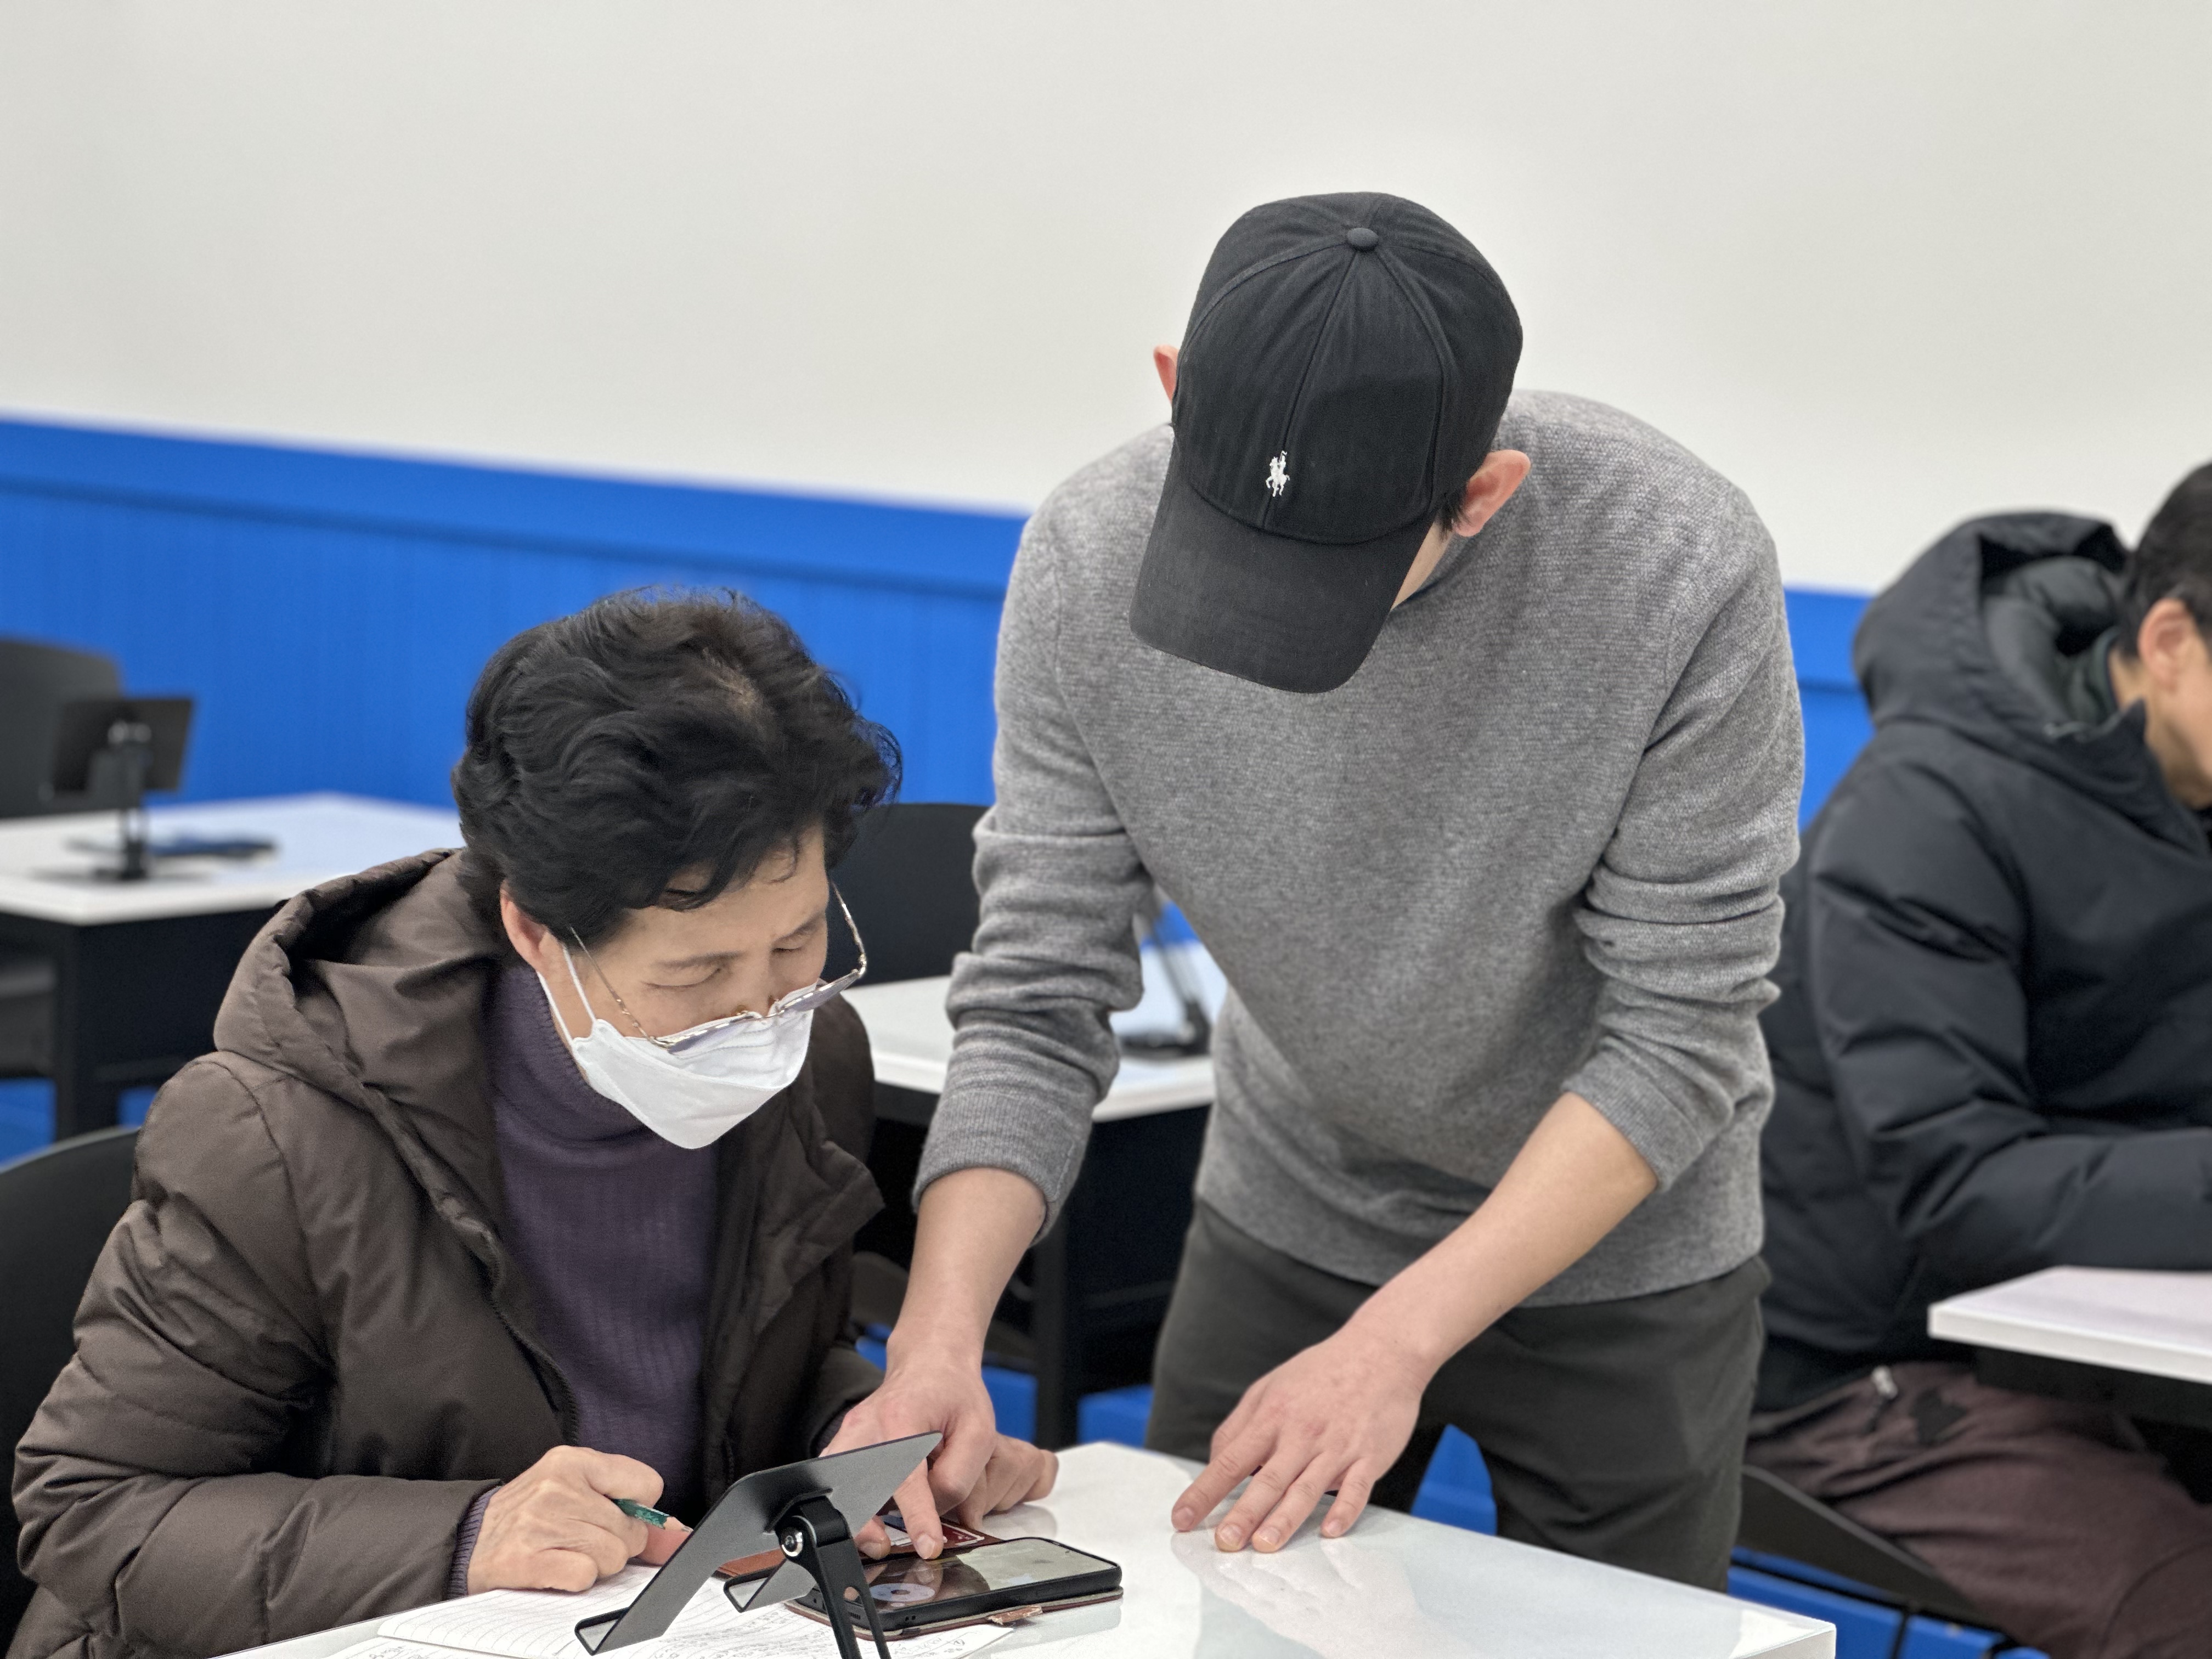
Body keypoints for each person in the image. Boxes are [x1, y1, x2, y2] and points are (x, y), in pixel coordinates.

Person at [831, 192, 1803, 1588]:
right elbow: (1038, 993)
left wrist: (1396, 1342)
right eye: (1230, 557)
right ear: (1175, 388)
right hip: (1291, 1203)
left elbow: (1680, 1030)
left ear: (1484, 493)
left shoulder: (1674, 565)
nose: (1261, 626)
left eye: (1325, 585)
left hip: (1619, 1245)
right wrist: (937, 1342)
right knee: (1209, 1609)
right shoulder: (1086, 556)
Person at [9, 591, 1054, 1659]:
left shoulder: (809, 1052)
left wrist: (871, 1441)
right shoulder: (277, 1135)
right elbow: (93, 1509)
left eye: (796, 944)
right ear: (534, 928)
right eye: (694, 974)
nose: (759, 1015)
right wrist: (466, 1539)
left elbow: (762, 1366)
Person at [1751, 471, 2212, 1658]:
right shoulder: (1927, 813)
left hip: (2108, 1340)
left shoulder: (2194, 777)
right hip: (1855, 1372)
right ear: (2170, 643)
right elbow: (1959, 1183)